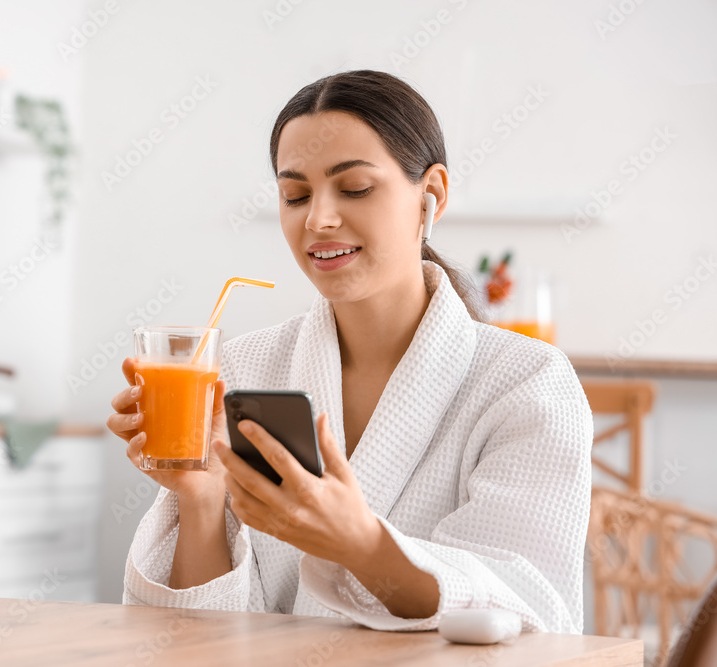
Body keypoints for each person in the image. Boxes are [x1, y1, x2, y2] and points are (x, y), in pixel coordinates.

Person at [107, 70, 592, 633]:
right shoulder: (246, 368)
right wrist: (201, 498)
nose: (318, 219)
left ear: (430, 196)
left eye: (355, 188)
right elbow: (201, 639)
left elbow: (521, 612)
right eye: (295, 195)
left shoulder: (527, 383)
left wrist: (362, 545)